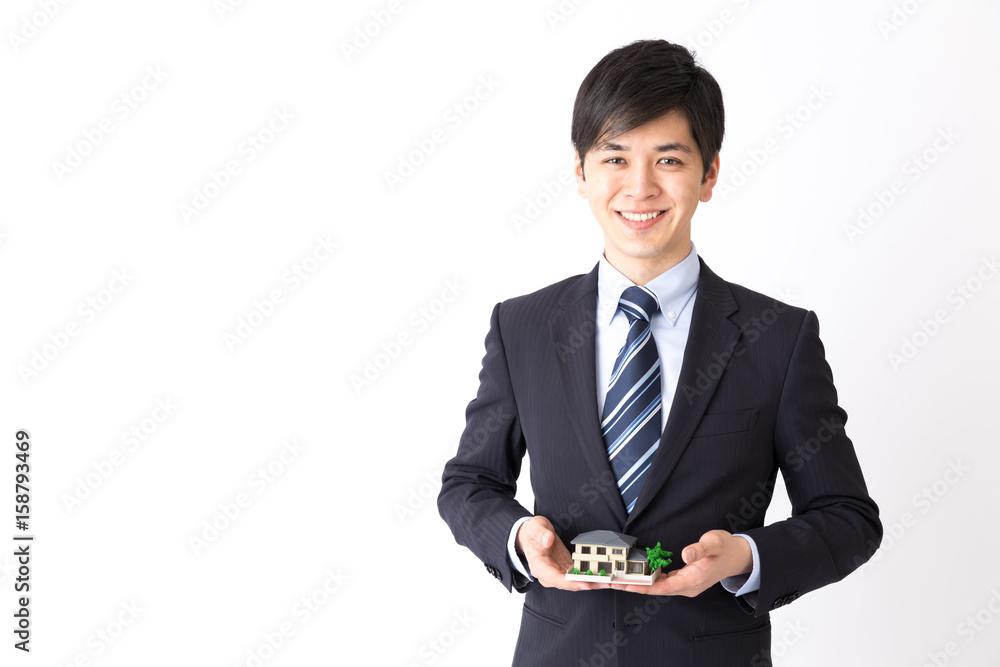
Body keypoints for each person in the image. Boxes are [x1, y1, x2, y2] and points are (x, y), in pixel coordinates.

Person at [438, 39, 881, 667]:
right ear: (580, 172)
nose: (639, 188)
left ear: (709, 173)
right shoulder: (524, 327)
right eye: (614, 157)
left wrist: (746, 557)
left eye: (668, 159)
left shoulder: (778, 337)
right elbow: (470, 483)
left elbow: (848, 518)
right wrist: (518, 537)